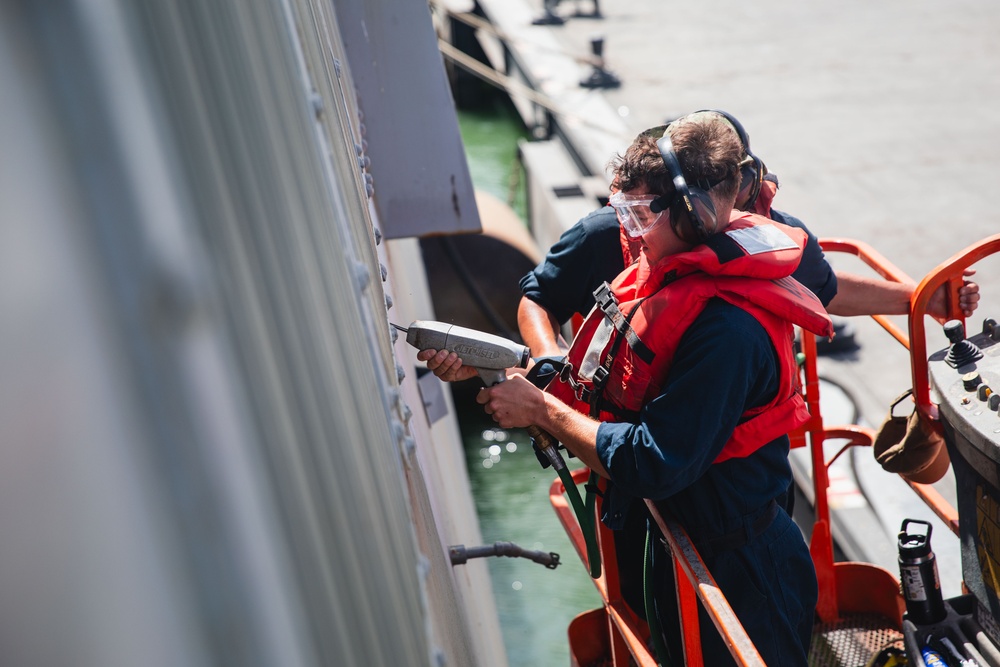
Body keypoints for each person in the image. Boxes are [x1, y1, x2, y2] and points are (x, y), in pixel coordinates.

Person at [468, 113, 828, 665]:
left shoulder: (727, 331)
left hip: (742, 575)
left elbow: (655, 461)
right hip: (680, 548)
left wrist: (541, 408)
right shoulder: (664, 274)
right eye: (623, 212)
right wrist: (501, 371)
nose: (629, 232)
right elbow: (598, 387)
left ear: (694, 214)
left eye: (640, 215)